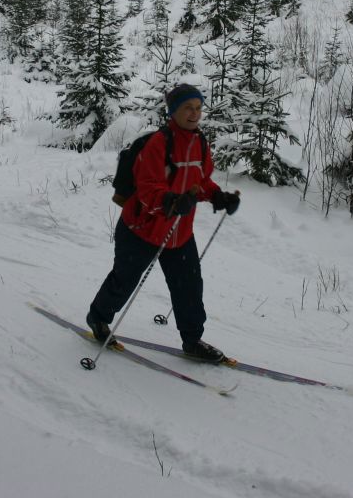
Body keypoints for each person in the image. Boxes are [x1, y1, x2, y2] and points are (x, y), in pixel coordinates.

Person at [86, 83, 241, 362]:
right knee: (124, 281)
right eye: (187, 108)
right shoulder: (159, 143)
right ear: (173, 111)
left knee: (190, 287)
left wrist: (219, 197)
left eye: (198, 108)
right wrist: (170, 201)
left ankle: (192, 340)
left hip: (178, 233)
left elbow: (201, 181)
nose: (194, 114)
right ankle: (98, 318)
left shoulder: (200, 143)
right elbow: (147, 188)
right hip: (141, 229)